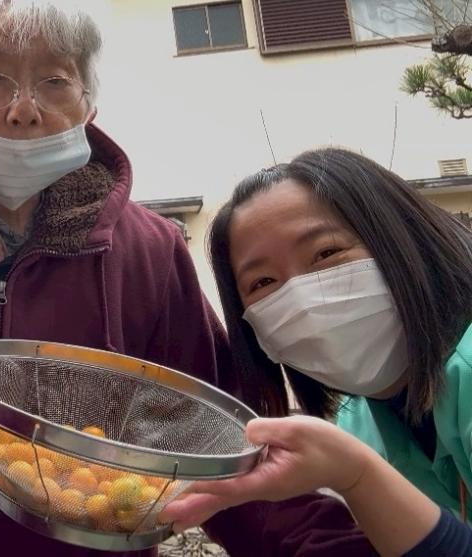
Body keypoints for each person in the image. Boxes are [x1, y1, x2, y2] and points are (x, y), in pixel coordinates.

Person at [0, 0, 373, 556]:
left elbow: (225, 450)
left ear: (90, 105)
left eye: (55, 82)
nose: (23, 110)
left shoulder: (150, 251)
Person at [159, 147, 472, 556]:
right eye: (263, 282)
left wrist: (357, 476)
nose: (303, 297)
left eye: (327, 253)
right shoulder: (358, 423)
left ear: (401, 239)